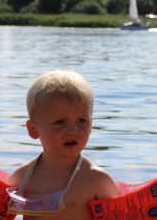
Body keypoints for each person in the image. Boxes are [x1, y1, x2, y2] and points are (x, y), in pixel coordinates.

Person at [7, 70, 118, 220]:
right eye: (60, 122)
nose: (73, 130)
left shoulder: (97, 180)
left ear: (91, 124)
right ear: (33, 130)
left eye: (81, 121)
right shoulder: (22, 178)